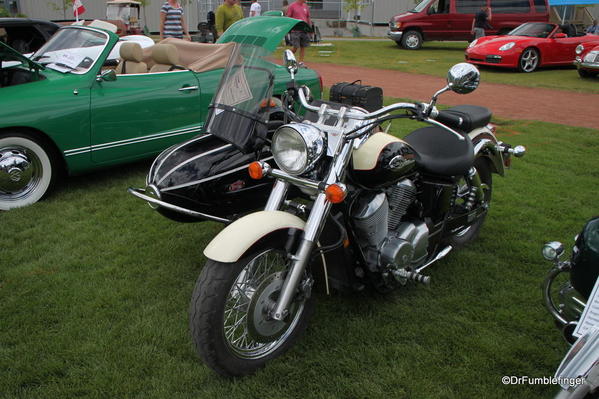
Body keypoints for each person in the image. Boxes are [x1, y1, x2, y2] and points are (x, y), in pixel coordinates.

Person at [286, 0, 312, 65]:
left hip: (304, 29)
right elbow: (288, 18)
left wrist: (310, 28)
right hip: (295, 30)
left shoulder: (305, 6)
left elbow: (308, 18)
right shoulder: (292, 6)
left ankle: (301, 62)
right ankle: (287, 56)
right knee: (295, 47)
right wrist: (288, 29)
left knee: (303, 47)